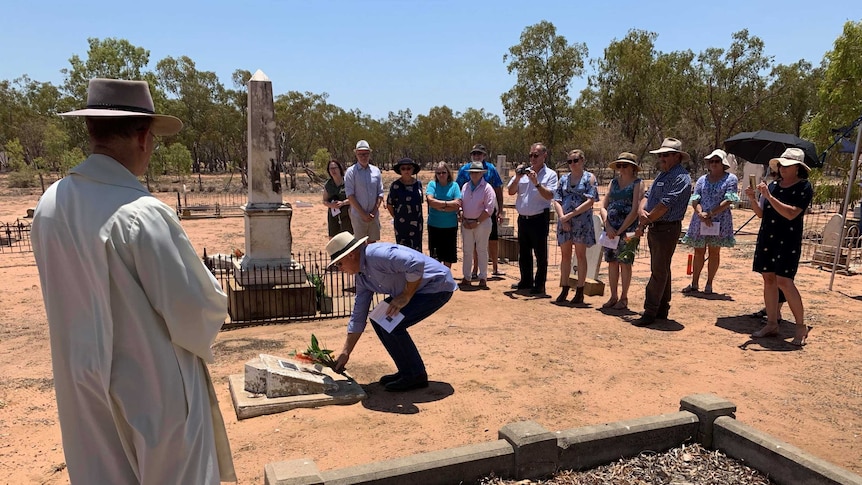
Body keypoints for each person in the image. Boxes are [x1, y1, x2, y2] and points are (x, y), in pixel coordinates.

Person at [30, 78, 235, 484]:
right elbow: (195, 309)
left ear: (91, 130)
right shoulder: (141, 213)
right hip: (154, 388)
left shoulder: (49, 204)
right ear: (143, 137)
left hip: (81, 382)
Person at [327, 232, 458, 391]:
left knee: (392, 324)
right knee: (379, 318)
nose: (340, 269)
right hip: (419, 290)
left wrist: (406, 295)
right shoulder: (362, 278)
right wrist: (346, 352)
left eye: (339, 264)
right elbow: (358, 315)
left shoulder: (377, 255)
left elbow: (415, 263)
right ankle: (406, 371)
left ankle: (416, 375)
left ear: (351, 255)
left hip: (436, 286)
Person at [745, 148, 814, 346]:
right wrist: (753, 198)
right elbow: (761, 213)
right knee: (768, 279)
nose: (783, 168)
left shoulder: (804, 187)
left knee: (784, 280)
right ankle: (772, 323)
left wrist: (769, 196)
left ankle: (800, 326)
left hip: (788, 239)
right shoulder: (773, 186)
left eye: (788, 165)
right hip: (768, 237)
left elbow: (792, 213)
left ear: (798, 168)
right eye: (781, 165)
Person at [632, 137, 693, 326]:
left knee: (658, 270)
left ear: (677, 157)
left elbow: (666, 204)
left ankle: (650, 311)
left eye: (665, 155)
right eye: (660, 155)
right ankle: (661, 309)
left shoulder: (681, 177)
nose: (661, 158)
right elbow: (648, 196)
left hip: (667, 228)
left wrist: (647, 217)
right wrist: (642, 210)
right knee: (661, 268)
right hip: (655, 227)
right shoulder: (662, 175)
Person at [681, 149, 739, 294]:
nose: (713, 164)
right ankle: (694, 283)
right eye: (711, 161)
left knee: (714, 252)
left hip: (719, 220)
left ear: (723, 163)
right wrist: (700, 213)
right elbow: (695, 198)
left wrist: (711, 213)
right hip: (700, 219)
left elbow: (729, 199)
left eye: (717, 161)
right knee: (698, 251)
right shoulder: (702, 179)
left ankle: (709, 283)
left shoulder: (731, 179)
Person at [507, 142, 559, 295]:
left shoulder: (550, 175)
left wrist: (536, 183)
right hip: (523, 218)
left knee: (540, 253)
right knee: (523, 253)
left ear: (544, 156)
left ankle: (540, 284)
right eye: (531, 155)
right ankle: (526, 281)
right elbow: (510, 191)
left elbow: (550, 195)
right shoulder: (523, 173)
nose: (533, 158)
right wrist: (517, 178)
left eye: (536, 155)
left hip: (539, 218)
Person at [599, 152, 644, 310]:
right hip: (610, 229)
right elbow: (603, 207)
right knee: (612, 262)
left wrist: (620, 231)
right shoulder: (613, 182)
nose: (621, 168)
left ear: (633, 167)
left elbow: (634, 210)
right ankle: (613, 296)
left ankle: (624, 298)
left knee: (625, 262)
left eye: (625, 165)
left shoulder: (638, 183)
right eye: (619, 165)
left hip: (629, 230)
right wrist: (608, 225)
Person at [552, 149, 599, 303]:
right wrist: (562, 218)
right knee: (565, 256)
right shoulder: (563, 179)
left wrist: (571, 215)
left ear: (582, 160)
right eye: (569, 161)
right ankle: (564, 288)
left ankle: (580, 290)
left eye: (575, 160)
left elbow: (590, 200)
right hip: (564, 221)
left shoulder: (589, 178)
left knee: (580, 255)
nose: (572, 164)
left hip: (582, 222)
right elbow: (557, 199)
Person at [456, 144, 506, 276]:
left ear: (484, 155)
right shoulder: (464, 170)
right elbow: (457, 191)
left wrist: (500, 210)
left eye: (479, 154)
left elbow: (498, 191)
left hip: (488, 212)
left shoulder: (491, 169)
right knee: (472, 243)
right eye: (474, 154)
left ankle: (495, 268)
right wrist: (458, 210)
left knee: (492, 239)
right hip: (469, 213)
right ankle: (474, 268)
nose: (477, 156)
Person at [459, 161, 497, 288]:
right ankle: (466, 277)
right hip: (466, 223)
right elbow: (461, 203)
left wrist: (477, 221)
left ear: (481, 173)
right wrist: (462, 215)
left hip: (482, 223)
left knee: (481, 250)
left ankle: (483, 277)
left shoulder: (487, 188)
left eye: (476, 172)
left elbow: (489, 209)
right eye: (472, 173)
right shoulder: (465, 186)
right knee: (467, 250)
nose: (474, 175)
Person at [345, 139, 384, 242]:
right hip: (358, 216)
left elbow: (380, 193)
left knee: (373, 246)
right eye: (360, 154)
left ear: (369, 154)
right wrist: (362, 214)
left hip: (373, 216)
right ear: (356, 155)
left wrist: (374, 212)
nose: (363, 157)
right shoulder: (351, 172)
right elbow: (350, 195)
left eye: (366, 154)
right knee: (360, 246)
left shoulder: (376, 171)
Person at [426, 161, 462, 267]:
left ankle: (446, 278)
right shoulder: (432, 184)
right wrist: (448, 204)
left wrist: (439, 206)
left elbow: (457, 204)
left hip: (450, 226)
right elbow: (430, 201)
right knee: (435, 255)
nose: (441, 175)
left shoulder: (454, 186)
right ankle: (436, 279)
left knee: (448, 255)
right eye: (438, 173)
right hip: (434, 225)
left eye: (443, 172)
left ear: (448, 173)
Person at [386, 157, 424, 251]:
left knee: (416, 250)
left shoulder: (418, 184)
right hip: (401, 224)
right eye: (403, 168)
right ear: (400, 170)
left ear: (413, 169)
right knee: (403, 251)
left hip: (417, 224)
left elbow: (420, 202)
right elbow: (390, 204)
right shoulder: (395, 185)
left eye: (409, 168)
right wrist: (398, 217)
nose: (406, 171)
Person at [323, 158, 354, 237]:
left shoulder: (347, 181)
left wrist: (343, 203)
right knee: (333, 238)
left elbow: (354, 198)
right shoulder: (328, 184)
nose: (333, 171)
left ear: (339, 169)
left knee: (348, 237)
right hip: (333, 215)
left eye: (335, 168)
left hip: (347, 214)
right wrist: (331, 205)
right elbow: (324, 201)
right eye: (331, 169)